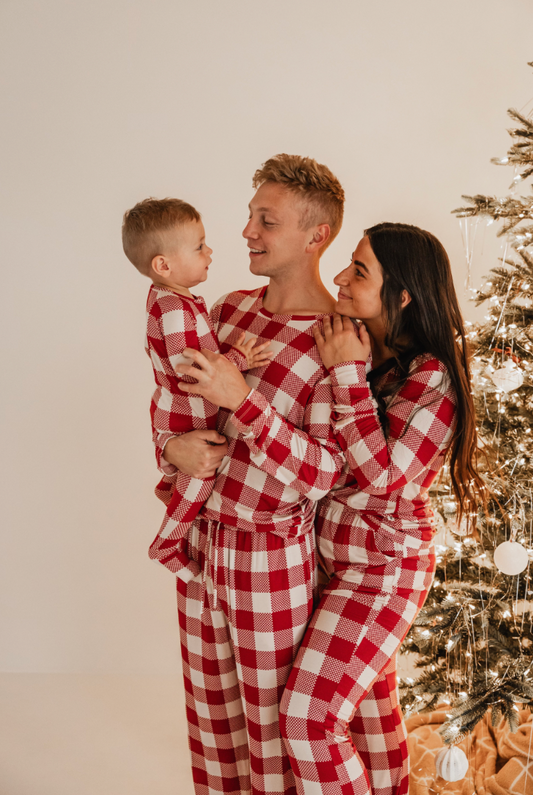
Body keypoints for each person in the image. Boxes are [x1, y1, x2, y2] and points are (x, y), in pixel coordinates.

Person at [155, 155, 347, 795]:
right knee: (212, 728)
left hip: (272, 559)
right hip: (204, 545)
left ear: (315, 235)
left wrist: (244, 399)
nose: (246, 232)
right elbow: (176, 404)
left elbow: (324, 472)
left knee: (270, 736)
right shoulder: (227, 310)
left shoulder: (337, 338)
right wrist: (171, 447)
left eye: (267, 220)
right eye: (248, 216)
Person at [278, 223, 486, 795]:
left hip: (383, 572)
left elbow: (386, 479)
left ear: (403, 294)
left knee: (306, 720)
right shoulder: (379, 362)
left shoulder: (432, 376)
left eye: (359, 270)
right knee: (370, 722)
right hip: (338, 564)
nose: (340, 278)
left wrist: (346, 373)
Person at [122, 197, 272, 580]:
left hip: (185, 413)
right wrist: (238, 360)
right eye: (199, 246)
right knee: (200, 477)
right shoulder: (171, 307)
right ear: (163, 265)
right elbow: (190, 374)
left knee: (197, 475)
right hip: (185, 415)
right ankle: (167, 543)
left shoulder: (179, 300)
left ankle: (170, 489)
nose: (210, 252)